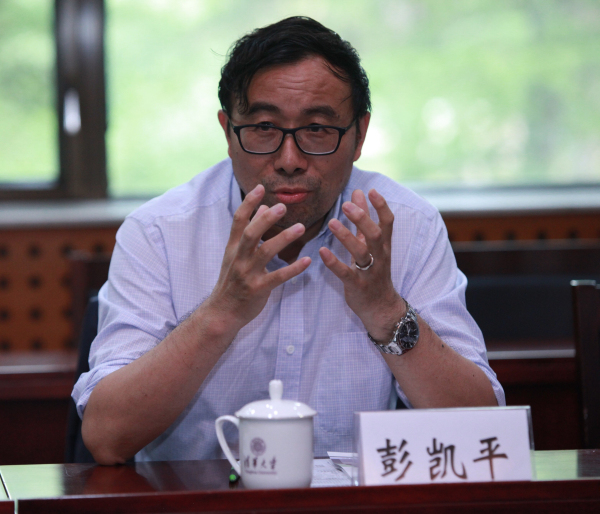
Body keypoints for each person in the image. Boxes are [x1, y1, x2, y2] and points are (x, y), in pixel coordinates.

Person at [73, 16, 504, 465]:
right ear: (227, 132)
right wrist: (221, 312)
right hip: (196, 497)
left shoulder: (406, 226)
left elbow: (483, 429)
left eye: (317, 128)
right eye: (264, 127)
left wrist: (386, 310)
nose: (290, 159)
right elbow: (107, 437)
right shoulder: (160, 232)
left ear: (359, 135)